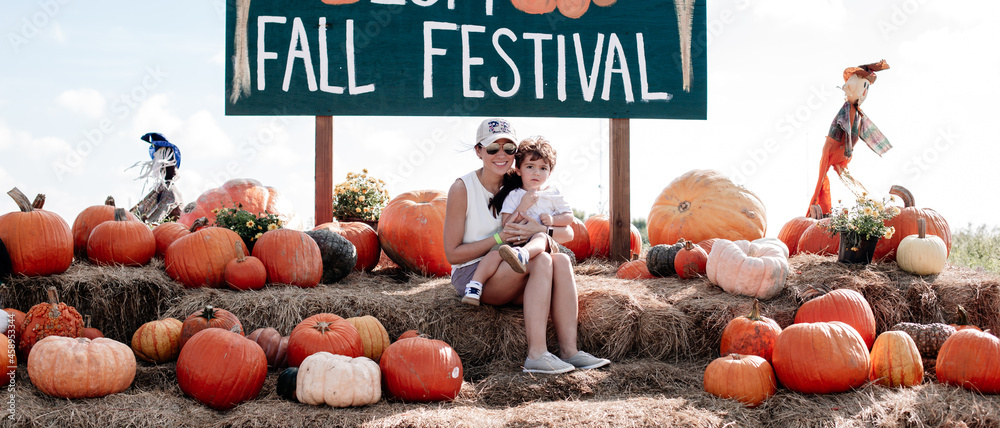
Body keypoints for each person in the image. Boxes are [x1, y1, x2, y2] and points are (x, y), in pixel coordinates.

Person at [443, 118, 610, 374]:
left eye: (508, 149)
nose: (501, 155)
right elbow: (452, 254)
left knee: (562, 260)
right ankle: (536, 354)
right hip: (476, 272)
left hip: (516, 267)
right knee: (542, 259)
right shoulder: (462, 188)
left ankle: (570, 351)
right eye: (492, 148)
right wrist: (500, 238)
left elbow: (567, 233)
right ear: (478, 151)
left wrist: (541, 229)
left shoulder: (521, 182)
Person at [461, 136, 573, 305]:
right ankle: (474, 287)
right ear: (519, 170)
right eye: (530, 167)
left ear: (550, 172)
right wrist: (523, 205)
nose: (536, 172)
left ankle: (524, 254)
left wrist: (551, 220)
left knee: (541, 237)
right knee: (493, 254)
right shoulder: (514, 195)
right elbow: (507, 223)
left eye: (543, 168)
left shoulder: (553, 193)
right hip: (513, 242)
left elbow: (568, 218)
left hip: (537, 243)